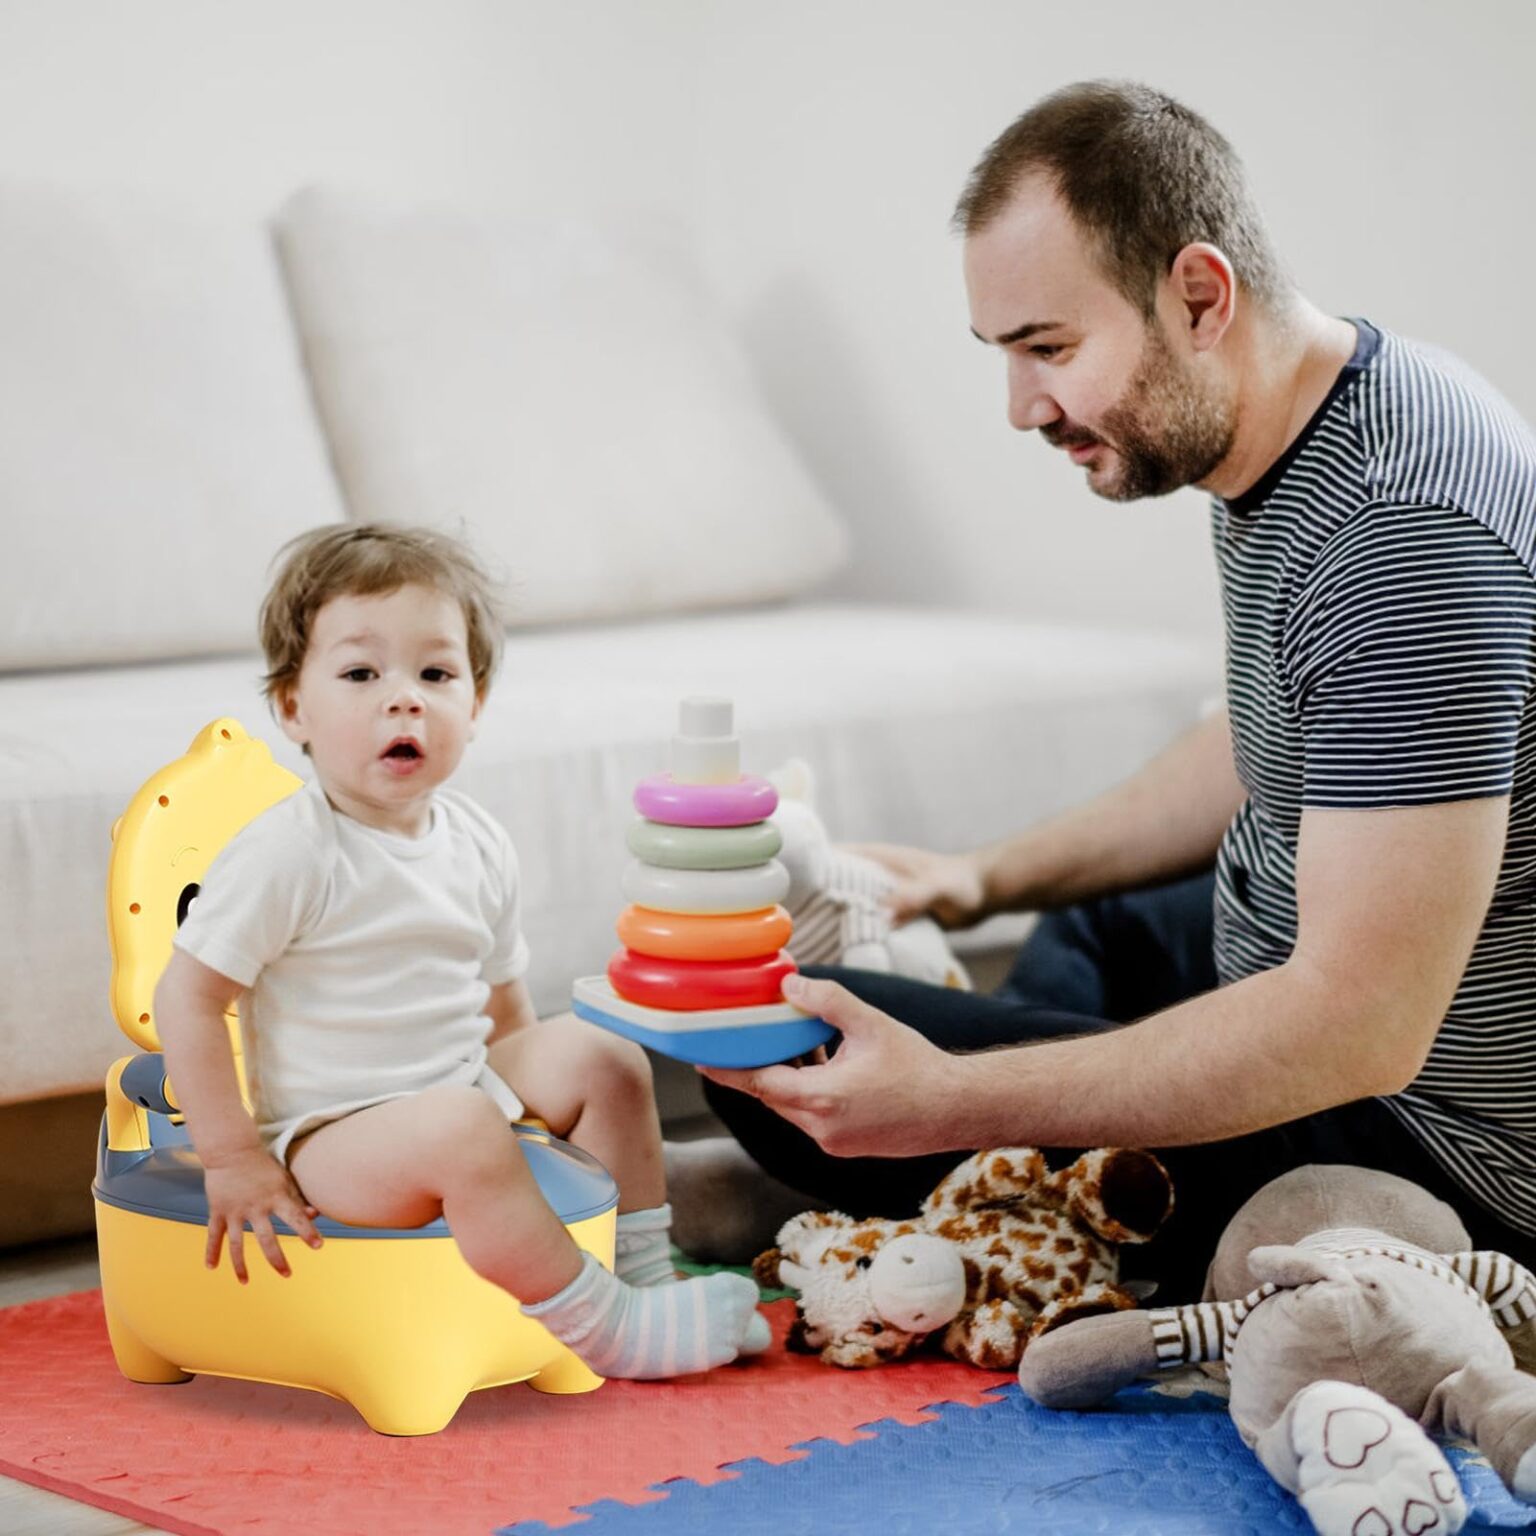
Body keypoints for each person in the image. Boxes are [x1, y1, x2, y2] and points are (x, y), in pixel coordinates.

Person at [680, 79, 1536, 1304]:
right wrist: (976, 878)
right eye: (1006, 356)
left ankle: (955, 1187)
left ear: (1200, 297)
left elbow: (1360, 1026)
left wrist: (954, 1099)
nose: (1024, 407)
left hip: (1430, 1133)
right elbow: (1264, 737)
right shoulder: (1315, 411)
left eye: (1051, 350)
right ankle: (998, 1191)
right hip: (1289, 962)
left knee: (776, 1029)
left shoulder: (1402, 540)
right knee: (1083, 923)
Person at [156, 523, 767, 1379]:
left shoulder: (476, 840)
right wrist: (233, 1159)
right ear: (294, 708)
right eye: (361, 674)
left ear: (474, 707)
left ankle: (643, 1277)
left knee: (605, 1055)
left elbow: (505, 1009)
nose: (403, 700)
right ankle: (607, 1325)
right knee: (463, 1125)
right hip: (333, 1137)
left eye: (435, 675)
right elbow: (187, 997)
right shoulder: (291, 852)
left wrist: (544, 1106)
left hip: (462, 1087)